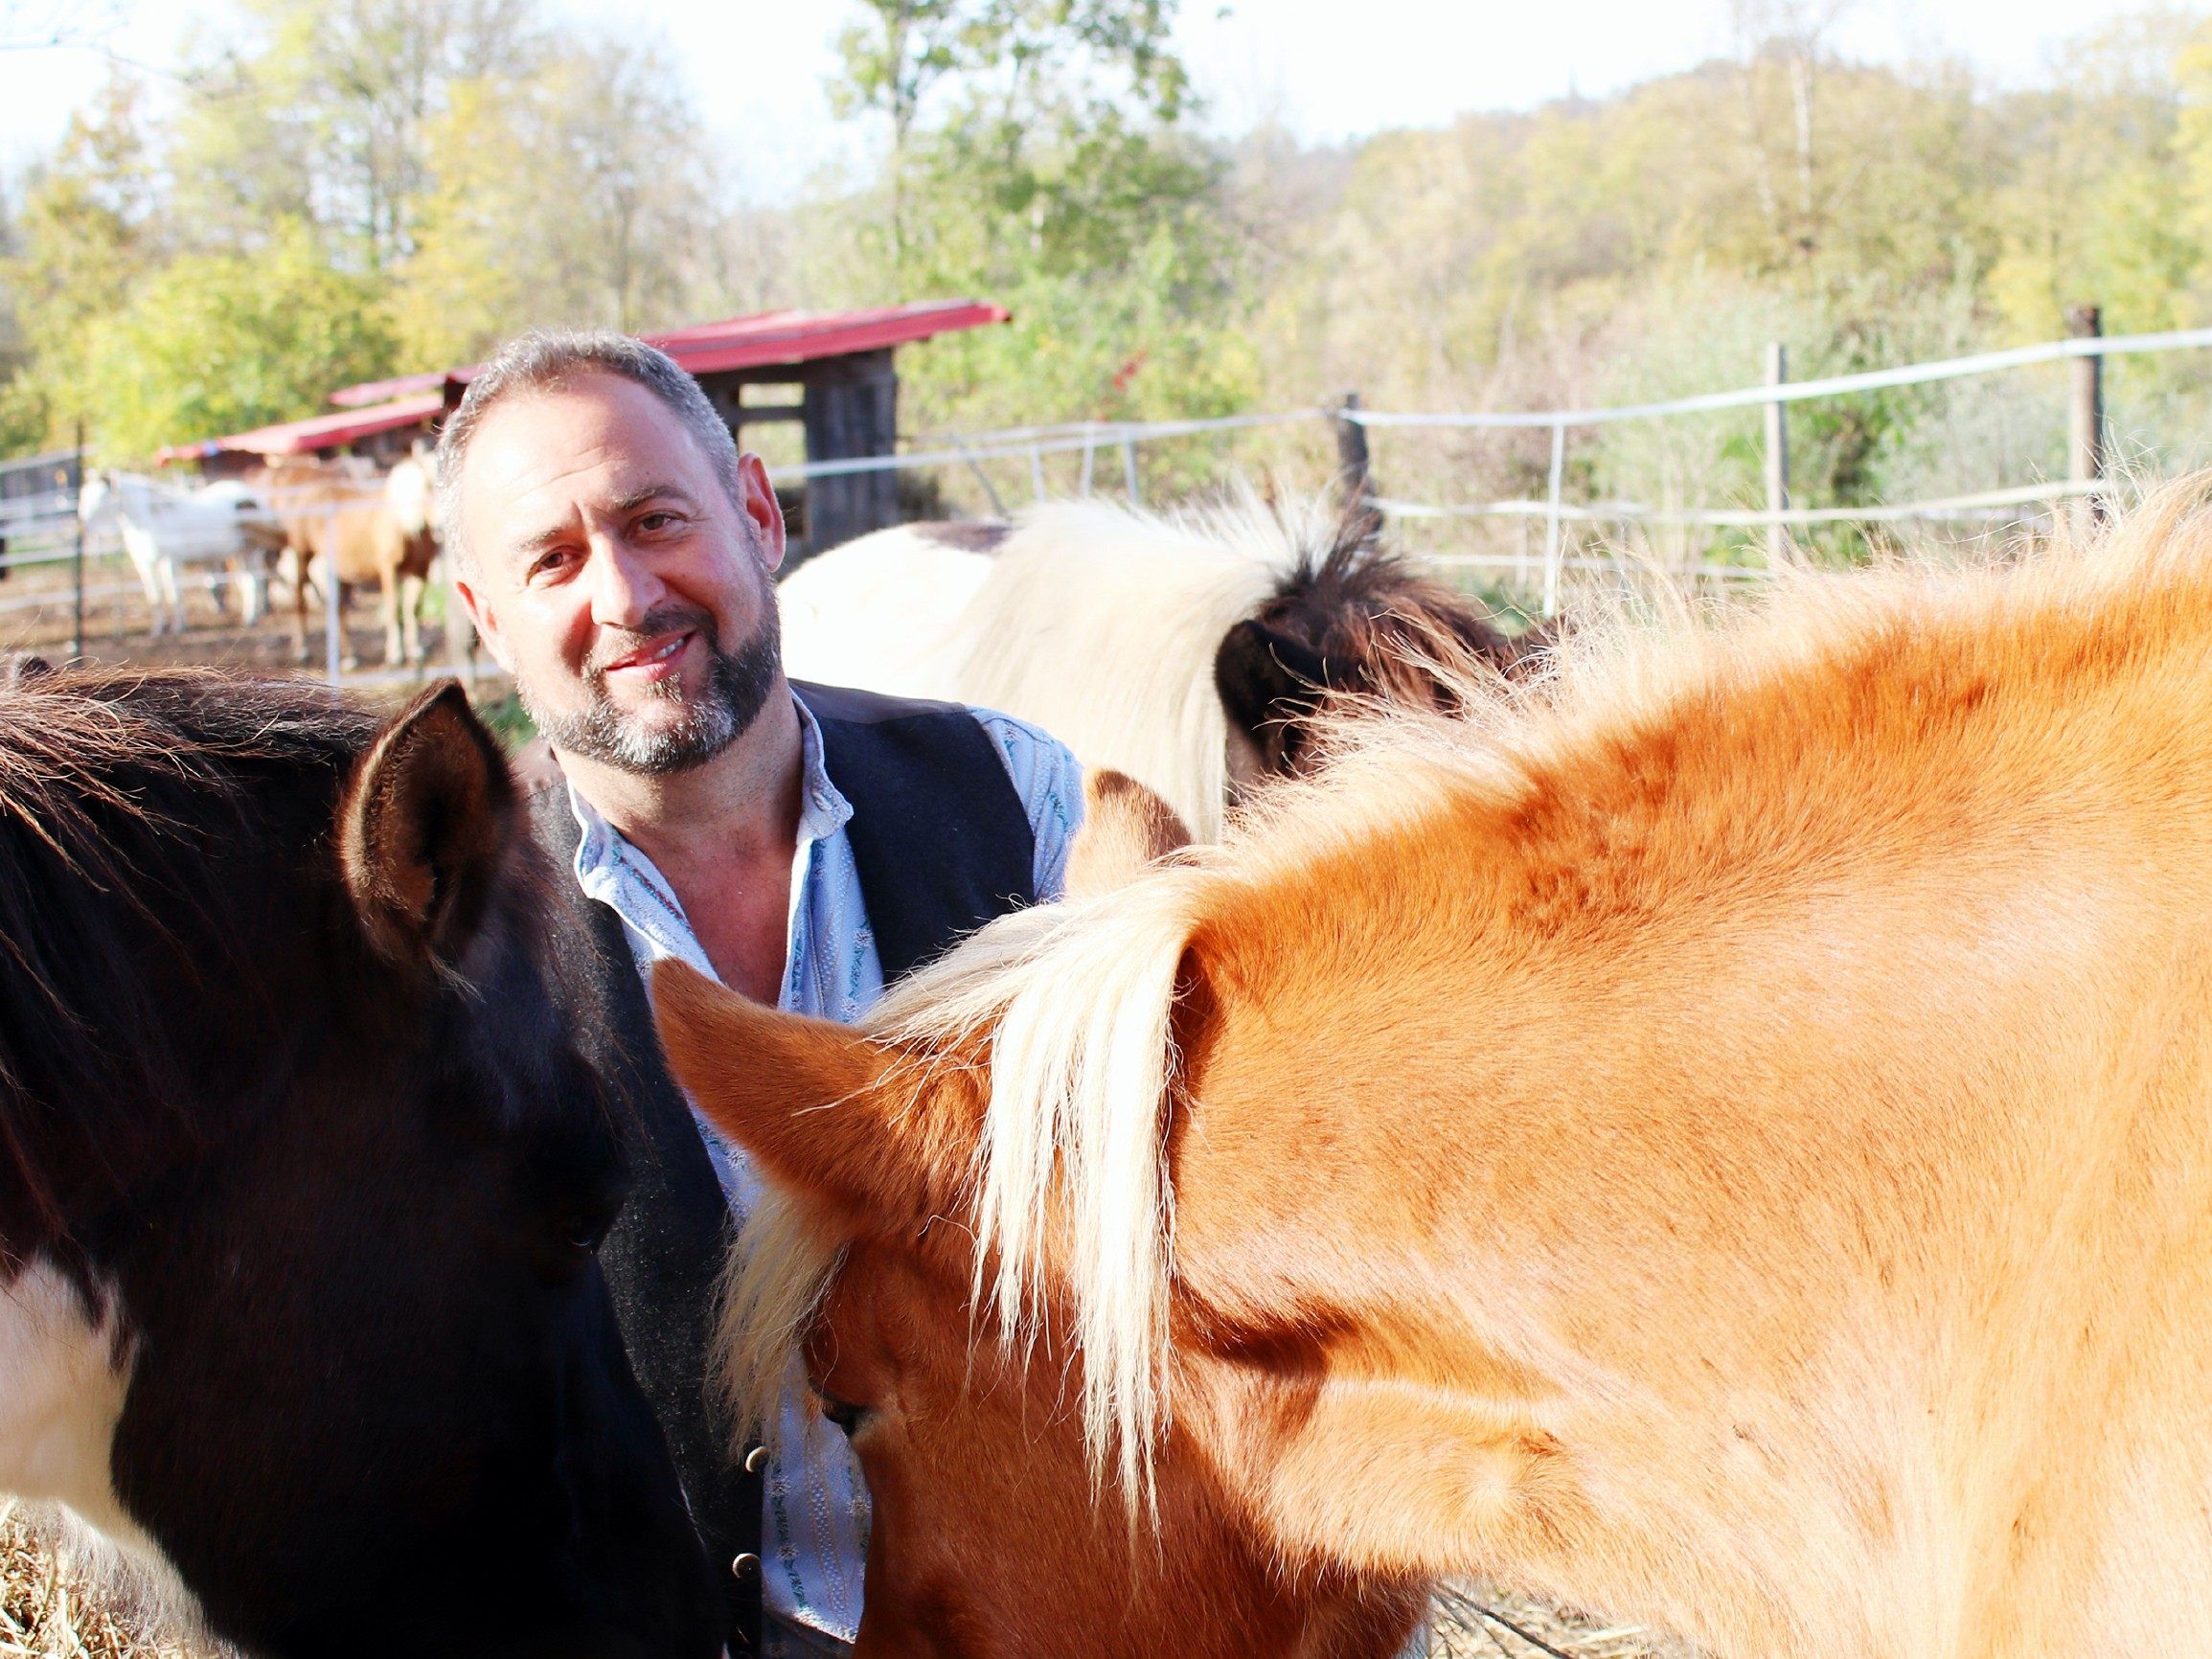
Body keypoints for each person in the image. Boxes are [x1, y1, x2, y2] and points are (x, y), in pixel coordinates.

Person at [437, 330, 1082, 1659]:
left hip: (1051, 1601)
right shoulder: (446, 958)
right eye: (550, 561)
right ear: (486, 618)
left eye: (653, 519)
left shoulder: (1019, 802)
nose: (621, 595)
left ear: (755, 509)